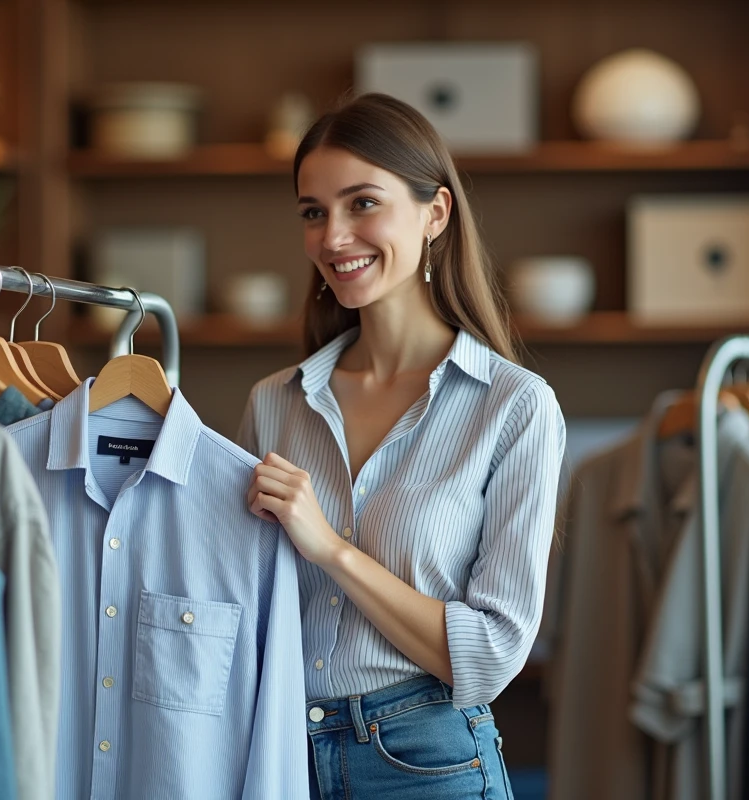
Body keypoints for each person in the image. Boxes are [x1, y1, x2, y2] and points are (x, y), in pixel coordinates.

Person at [237, 93, 566, 799]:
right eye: (313, 212)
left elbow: (490, 656)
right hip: (273, 753)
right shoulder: (274, 403)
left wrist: (330, 548)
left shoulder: (513, 407)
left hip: (426, 763)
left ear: (436, 214)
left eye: (362, 204)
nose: (332, 237)